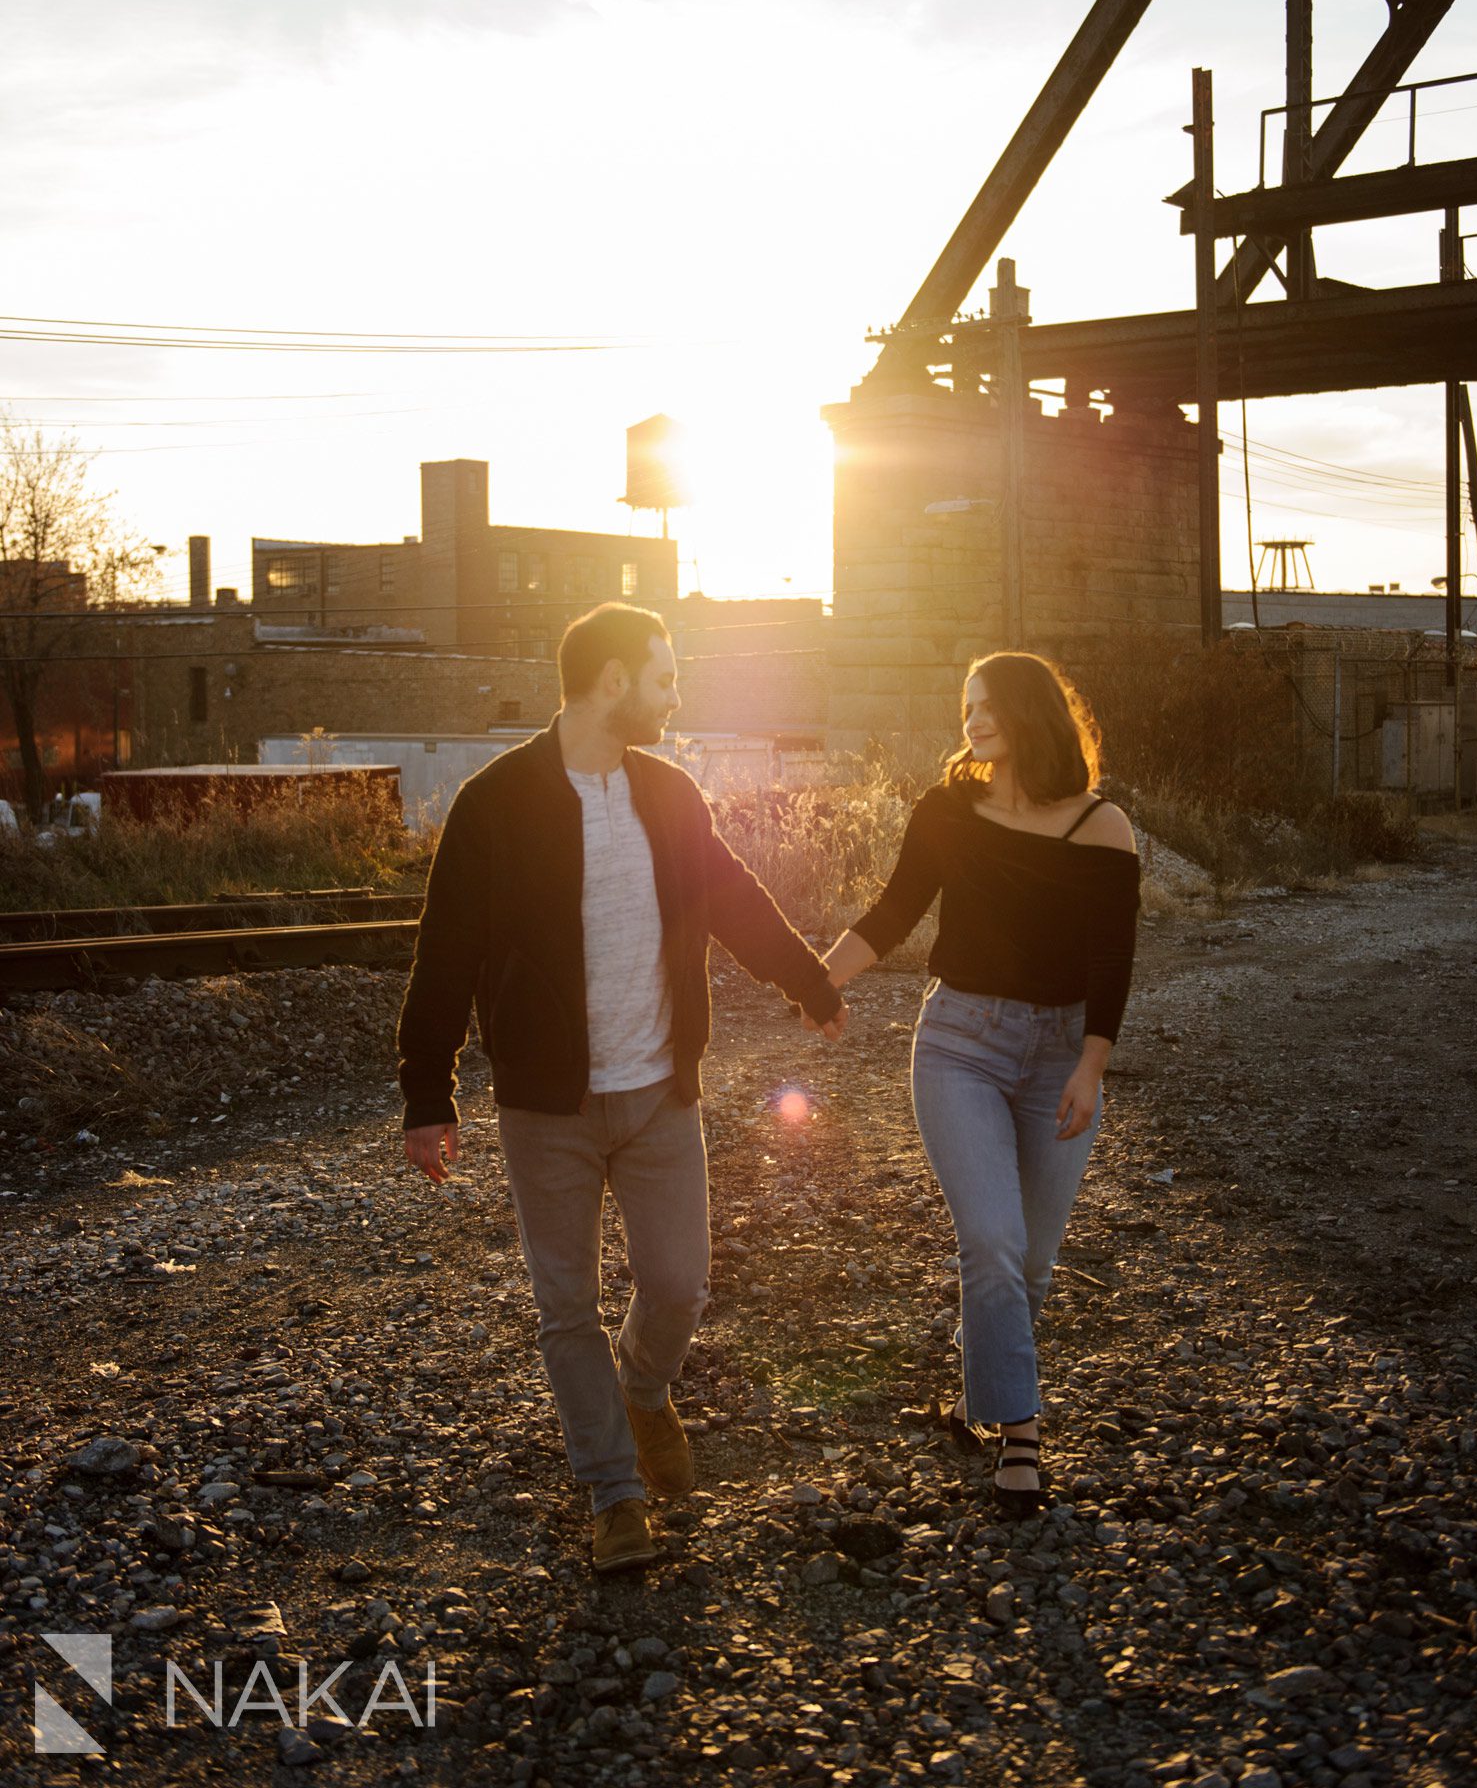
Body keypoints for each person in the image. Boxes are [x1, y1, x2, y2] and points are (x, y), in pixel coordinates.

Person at [397, 602, 848, 1572]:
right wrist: (427, 1094)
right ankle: (613, 1491)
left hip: (657, 1093)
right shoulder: (496, 800)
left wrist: (806, 979)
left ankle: (643, 1391)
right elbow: (445, 954)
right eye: (664, 674)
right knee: (566, 1309)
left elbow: (729, 895)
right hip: (544, 1106)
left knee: (679, 1283)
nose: (674, 691)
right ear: (611, 679)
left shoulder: (668, 792)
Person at [812, 651, 1139, 1513]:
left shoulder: (1102, 827)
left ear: (1031, 713)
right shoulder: (948, 808)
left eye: (987, 704)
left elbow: (1114, 962)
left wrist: (1090, 1066)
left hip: (1060, 1052)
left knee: (1029, 1260)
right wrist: (816, 981)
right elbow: (892, 911)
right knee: (990, 1241)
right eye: (966, 706)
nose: (972, 720)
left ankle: (975, 1386)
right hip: (958, 1041)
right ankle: (1019, 1436)